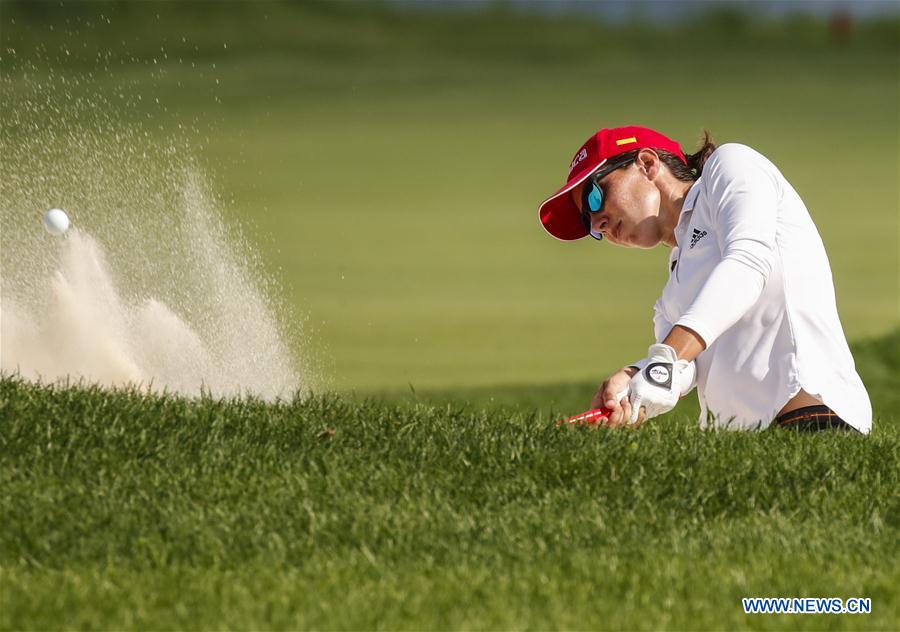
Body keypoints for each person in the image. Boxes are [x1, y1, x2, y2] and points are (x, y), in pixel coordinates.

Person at [537, 125, 872, 433]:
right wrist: (634, 379)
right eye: (588, 223)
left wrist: (664, 359)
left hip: (815, 416)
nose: (599, 224)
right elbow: (684, 368)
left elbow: (747, 263)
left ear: (647, 163)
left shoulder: (730, 166)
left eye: (596, 197)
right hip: (742, 444)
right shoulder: (672, 290)